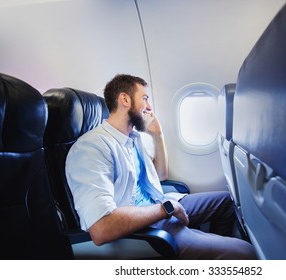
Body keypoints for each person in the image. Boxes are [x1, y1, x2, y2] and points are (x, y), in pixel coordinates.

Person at [65, 74, 256, 259]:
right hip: (145, 228)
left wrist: (158, 135)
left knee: (227, 201)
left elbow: (161, 176)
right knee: (245, 252)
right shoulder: (91, 147)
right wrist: (165, 209)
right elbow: (101, 228)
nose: (149, 107)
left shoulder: (132, 139)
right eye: (145, 99)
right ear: (124, 99)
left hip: (158, 205)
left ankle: (211, 251)